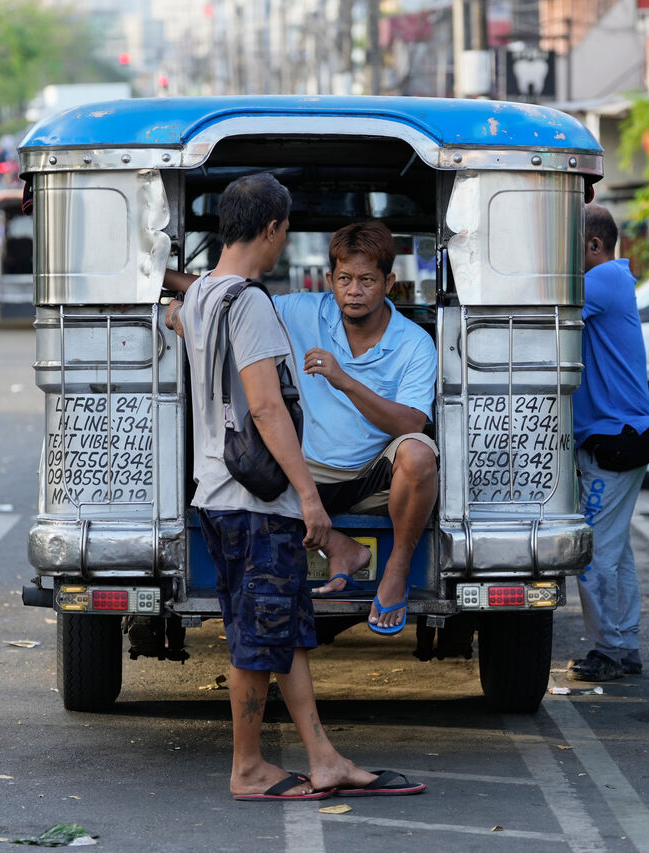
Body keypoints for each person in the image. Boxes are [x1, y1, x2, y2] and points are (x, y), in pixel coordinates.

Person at [174, 172, 425, 800]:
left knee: (280, 631)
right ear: (273, 228)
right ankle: (249, 767)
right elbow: (265, 408)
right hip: (255, 502)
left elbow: (177, 318)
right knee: (256, 639)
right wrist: (307, 497)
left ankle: (323, 756)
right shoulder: (252, 303)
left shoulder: (204, 296)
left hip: (217, 489)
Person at [168, 221, 439, 637]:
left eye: (367, 280)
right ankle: (339, 548)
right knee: (239, 455)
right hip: (300, 480)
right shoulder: (299, 310)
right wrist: (166, 285)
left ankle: (396, 572)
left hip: (371, 479)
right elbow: (227, 296)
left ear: (389, 281)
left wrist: (344, 380)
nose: (354, 291)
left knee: (419, 453)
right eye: (345, 279)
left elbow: (412, 422)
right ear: (330, 279)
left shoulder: (414, 342)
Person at [568, 203, 649, 683]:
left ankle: (610, 648)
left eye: (569, 246)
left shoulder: (600, 281)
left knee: (595, 552)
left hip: (615, 440)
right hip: (622, 436)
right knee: (615, 551)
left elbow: (541, 305)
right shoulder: (614, 280)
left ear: (594, 246)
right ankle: (624, 644)